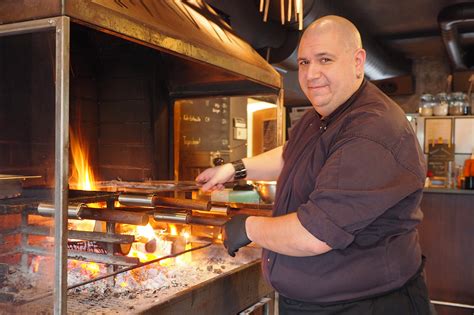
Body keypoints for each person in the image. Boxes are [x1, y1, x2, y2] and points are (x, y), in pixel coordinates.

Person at [196, 15, 431, 315]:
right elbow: (291, 153)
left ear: (358, 62)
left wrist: (247, 227)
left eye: (325, 60)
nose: (311, 74)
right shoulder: (323, 113)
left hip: (364, 305)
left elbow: (315, 234)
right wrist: (234, 168)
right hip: (320, 301)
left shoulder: (373, 131)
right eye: (305, 62)